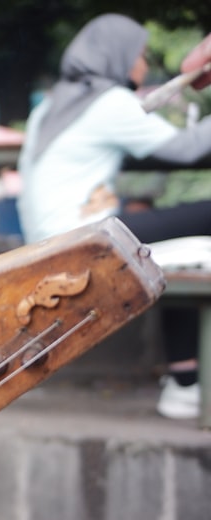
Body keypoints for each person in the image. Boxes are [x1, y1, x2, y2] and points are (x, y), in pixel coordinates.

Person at [16, 14, 211, 420]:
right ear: (119, 56)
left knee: (170, 241)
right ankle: (187, 381)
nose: (143, 63)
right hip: (84, 240)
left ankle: (184, 378)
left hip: (49, 240)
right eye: (140, 54)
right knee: (199, 223)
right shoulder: (109, 103)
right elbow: (187, 149)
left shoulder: (53, 104)